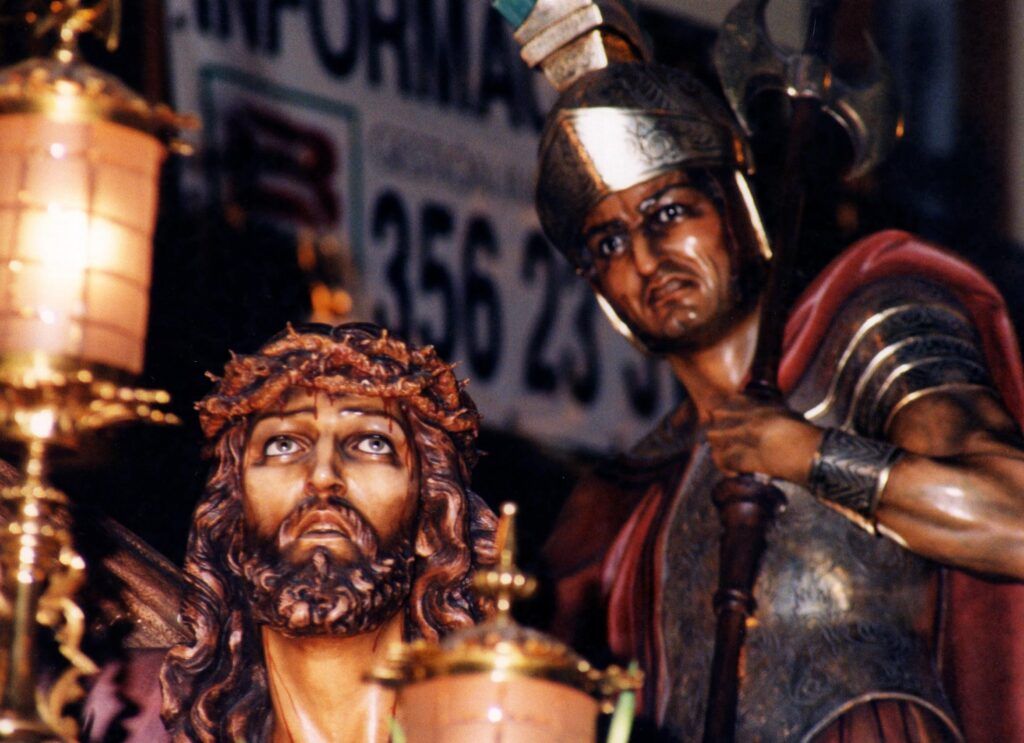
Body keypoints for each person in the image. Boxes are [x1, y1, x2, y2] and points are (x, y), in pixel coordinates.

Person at [514, 6, 1024, 742]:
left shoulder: (866, 337)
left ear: (737, 207)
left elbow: (1015, 518)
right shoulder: (626, 495)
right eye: (610, 243)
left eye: (669, 213)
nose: (647, 259)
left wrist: (812, 455)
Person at [159, 322, 497, 743]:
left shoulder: (513, 723)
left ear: (431, 513)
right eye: (284, 444)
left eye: (372, 443)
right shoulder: (119, 709)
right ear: (234, 515)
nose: (322, 476)